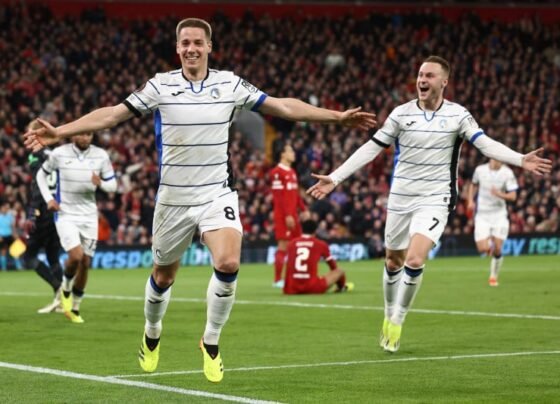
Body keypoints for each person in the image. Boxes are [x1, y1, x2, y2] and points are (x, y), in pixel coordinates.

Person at [23, 18, 376, 383]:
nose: (191, 48)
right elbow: (112, 115)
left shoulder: (230, 83)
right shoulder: (161, 85)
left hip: (216, 192)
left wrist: (336, 117)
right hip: (173, 199)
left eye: (198, 42)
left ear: (209, 46)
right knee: (163, 275)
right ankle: (152, 331)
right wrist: (60, 132)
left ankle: (210, 341)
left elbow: (282, 107)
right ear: (177, 49)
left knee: (227, 261)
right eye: (185, 42)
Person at [307, 55, 551, 353]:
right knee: (392, 261)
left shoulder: (458, 115)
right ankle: (387, 313)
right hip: (400, 198)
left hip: (436, 198)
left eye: (430, 76)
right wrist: (336, 177)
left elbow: (484, 142)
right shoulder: (401, 114)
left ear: (444, 81)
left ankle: (397, 319)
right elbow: (372, 148)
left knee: (414, 259)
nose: (422, 80)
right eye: (420, 75)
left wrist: (519, 159)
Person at [36, 133, 117, 323]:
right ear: (73, 135)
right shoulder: (59, 153)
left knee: (86, 263)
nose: (85, 137)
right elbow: (41, 174)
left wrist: (102, 184)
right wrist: (49, 199)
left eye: (89, 134)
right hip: (65, 213)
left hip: (89, 215)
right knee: (76, 256)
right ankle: (65, 289)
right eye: (81, 133)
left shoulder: (101, 155)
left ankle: (76, 306)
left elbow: (113, 185)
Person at [23, 121, 64, 313]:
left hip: (43, 210)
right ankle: (64, 299)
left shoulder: (35, 155)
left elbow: (38, 185)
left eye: (31, 134)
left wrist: (32, 213)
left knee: (28, 256)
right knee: (52, 256)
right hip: (58, 210)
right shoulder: (57, 155)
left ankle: (59, 289)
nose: (28, 138)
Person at [466, 159, 518, 286]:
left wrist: (499, 194)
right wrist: (470, 201)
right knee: (482, 248)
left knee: (498, 249)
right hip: (482, 214)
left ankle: (493, 276)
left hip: (499, 214)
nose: (499, 160)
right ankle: (489, 241)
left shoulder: (507, 172)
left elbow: (513, 196)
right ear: (491, 157)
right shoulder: (480, 170)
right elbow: (473, 185)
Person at [269, 140, 307, 288]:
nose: (293, 153)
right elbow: (279, 197)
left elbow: (295, 195)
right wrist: (287, 215)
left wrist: (304, 210)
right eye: (290, 151)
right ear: (282, 154)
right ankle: (278, 280)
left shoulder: (292, 172)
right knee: (283, 246)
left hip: (293, 216)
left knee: (297, 246)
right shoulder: (276, 173)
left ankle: (294, 276)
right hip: (283, 216)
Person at [283, 219, 353, 295]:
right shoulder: (320, 244)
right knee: (339, 271)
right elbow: (333, 267)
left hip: (292, 288)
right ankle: (341, 288)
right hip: (312, 287)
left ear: (301, 230)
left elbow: (288, 268)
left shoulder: (291, 244)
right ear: (315, 231)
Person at [0, 201, 21, 271]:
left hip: (10, 235)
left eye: (6, 208)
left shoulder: (10, 216)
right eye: (4, 208)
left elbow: (12, 226)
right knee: (3, 252)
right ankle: (4, 268)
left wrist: (15, 234)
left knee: (15, 251)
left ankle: (19, 267)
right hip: (2, 236)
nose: (5, 209)